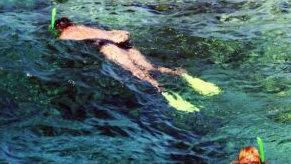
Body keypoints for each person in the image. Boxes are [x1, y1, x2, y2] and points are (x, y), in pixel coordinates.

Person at [52, 16, 221, 112]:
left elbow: (73, 42)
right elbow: (117, 33)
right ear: (71, 23)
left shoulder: (65, 35)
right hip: (124, 43)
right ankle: (183, 74)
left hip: (108, 47)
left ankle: (163, 91)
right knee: (151, 67)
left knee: (135, 71)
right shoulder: (85, 26)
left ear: (60, 28)